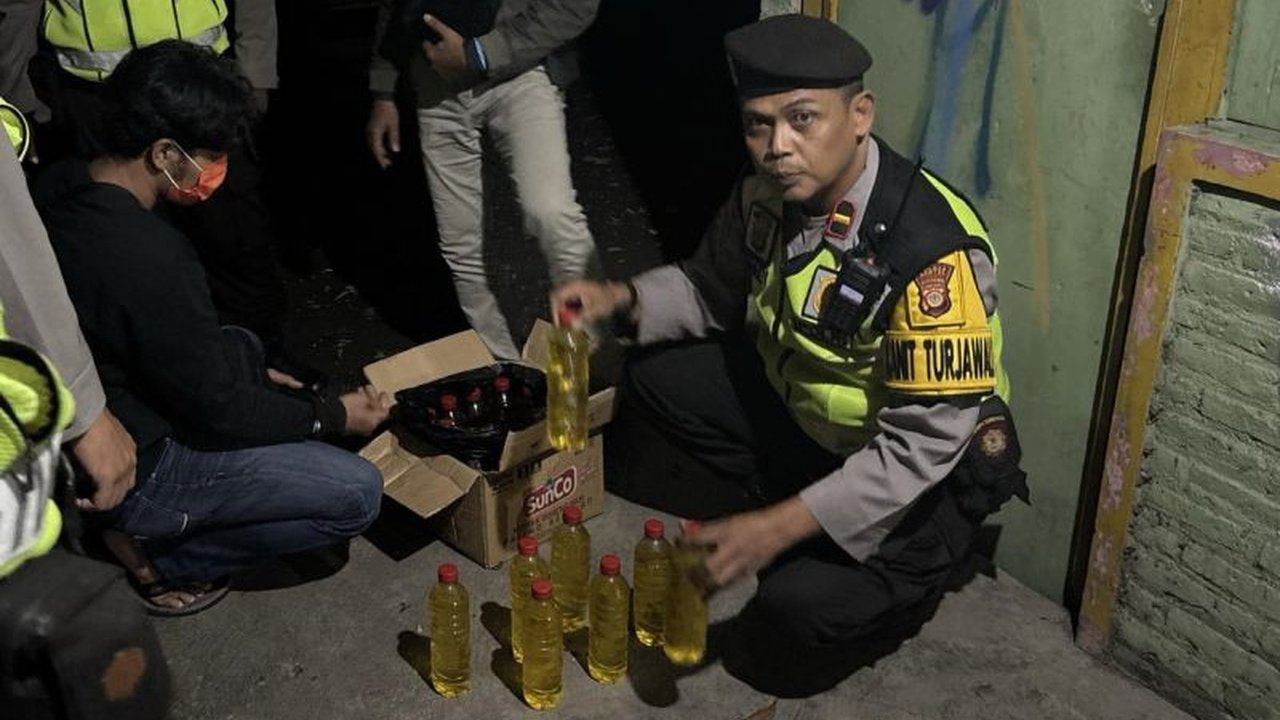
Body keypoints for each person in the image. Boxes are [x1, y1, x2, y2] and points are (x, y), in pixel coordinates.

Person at [552, 15, 1028, 693]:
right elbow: (706, 289)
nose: (778, 147)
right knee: (655, 374)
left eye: (803, 119)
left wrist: (774, 530)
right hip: (819, 424)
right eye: (758, 124)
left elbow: (922, 446)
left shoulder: (930, 255)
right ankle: (798, 503)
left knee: (788, 620)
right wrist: (617, 297)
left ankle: (916, 581)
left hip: (924, 477)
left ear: (860, 115)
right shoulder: (767, 199)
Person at [35, 40, 390, 616]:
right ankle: (164, 558)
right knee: (354, 494)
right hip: (139, 461)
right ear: (165, 153)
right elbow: (218, 409)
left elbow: (168, 345)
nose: (217, 167)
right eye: (210, 153)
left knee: (244, 346)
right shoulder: (150, 255)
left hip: (111, 398)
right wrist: (333, 413)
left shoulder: (65, 184)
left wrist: (251, 375)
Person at [366, 0, 601, 360]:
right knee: (459, 243)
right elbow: (394, 7)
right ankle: (507, 369)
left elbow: (575, 5)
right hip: (435, 81)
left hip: (520, 73)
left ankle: (586, 352)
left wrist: (480, 53)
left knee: (551, 213)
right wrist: (384, 90)